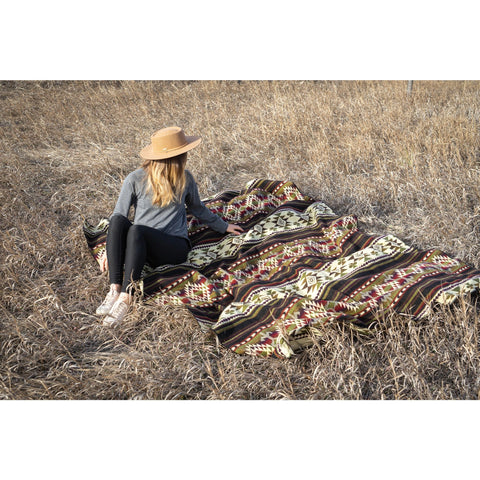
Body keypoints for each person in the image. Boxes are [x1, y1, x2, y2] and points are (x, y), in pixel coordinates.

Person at [95, 126, 244, 325]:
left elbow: (198, 209)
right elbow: (119, 216)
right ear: (179, 156)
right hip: (139, 244)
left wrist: (223, 226)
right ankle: (114, 289)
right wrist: (110, 246)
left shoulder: (186, 179)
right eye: (184, 153)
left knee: (136, 230)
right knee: (118, 221)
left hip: (173, 248)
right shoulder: (135, 179)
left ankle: (126, 297)